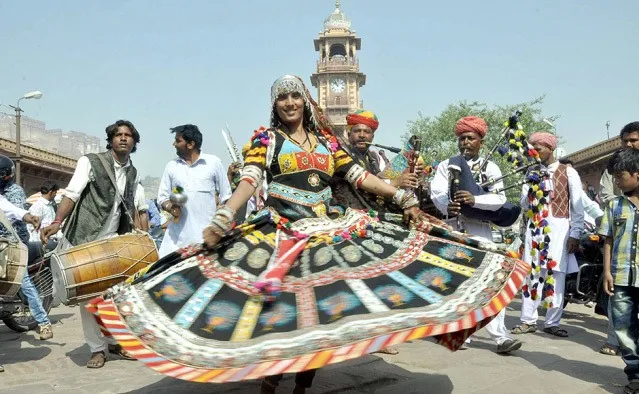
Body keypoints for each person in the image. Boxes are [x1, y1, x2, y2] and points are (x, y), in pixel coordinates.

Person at [87, 75, 529, 394]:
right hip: (281, 232)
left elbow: (361, 179)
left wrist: (402, 197)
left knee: (323, 317)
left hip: (330, 234)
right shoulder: (266, 138)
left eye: (296, 95)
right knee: (276, 316)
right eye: (282, 98)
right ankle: (269, 383)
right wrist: (226, 215)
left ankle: (301, 387)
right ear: (274, 105)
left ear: (306, 99)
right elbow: (250, 180)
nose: (290, 103)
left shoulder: (328, 144)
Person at [40, 119, 146, 368]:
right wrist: (57, 221)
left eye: (128, 135)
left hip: (113, 242)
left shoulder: (134, 172)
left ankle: (115, 341)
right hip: (84, 239)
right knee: (89, 299)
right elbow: (72, 194)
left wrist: (138, 234)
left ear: (134, 142)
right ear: (110, 139)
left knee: (115, 297)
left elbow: (133, 207)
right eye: (118, 134)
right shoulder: (90, 161)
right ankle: (96, 349)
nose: (122, 138)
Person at [430, 116, 522, 354]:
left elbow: (499, 198)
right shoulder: (447, 165)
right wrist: (445, 205)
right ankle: (462, 334)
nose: (465, 143)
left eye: (470, 138)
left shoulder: (491, 167)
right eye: (462, 138)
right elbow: (437, 192)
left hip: (481, 229)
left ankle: (500, 337)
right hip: (454, 228)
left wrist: (476, 199)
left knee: (492, 281)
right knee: (457, 282)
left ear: (481, 141)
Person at [511, 132, 584, 338]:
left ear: (550, 149)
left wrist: (575, 234)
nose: (534, 153)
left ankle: (552, 322)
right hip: (535, 230)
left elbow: (577, 207)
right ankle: (528, 320)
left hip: (560, 230)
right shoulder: (530, 172)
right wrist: (532, 189)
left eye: (538, 149)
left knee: (556, 275)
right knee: (533, 275)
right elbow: (524, 205)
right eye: (531, 149)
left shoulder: (568, 172)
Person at [157, 124, 233, 257]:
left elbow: (226, 197)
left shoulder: (213, 163)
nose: (174, 144)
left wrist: (219, 225)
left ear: (191, 144)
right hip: (175, 241)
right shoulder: (172, 166)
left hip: (205, 239)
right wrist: (171, 207)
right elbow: (162, 198)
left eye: (178, 140)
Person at [600, 148, 639, 394]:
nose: (616, 181)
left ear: (637, 174)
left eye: (620, 176)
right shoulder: (614, 205)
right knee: (624, 330)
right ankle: (635, 375)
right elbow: (608, 240)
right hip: (621, 277)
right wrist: (607, 272)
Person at [0, 155, 50, 345]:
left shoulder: (14, 191)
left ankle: (43, 322)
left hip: (12, 242)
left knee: (23, 281)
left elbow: (10, 210)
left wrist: (28, 216)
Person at [600, 122, 639, 205]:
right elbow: (605, 197)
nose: (628, 144)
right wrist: (628, 203)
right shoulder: (614, 168)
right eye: (625, 141)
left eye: (633, 140)